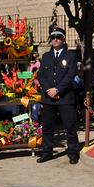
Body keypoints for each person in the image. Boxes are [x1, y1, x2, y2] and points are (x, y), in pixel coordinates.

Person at [37, 26, 79, 164]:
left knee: (70, 127)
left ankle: (73, 152)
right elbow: (41, 76)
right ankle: (47, 152)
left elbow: (70, 75)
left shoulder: (71, 55)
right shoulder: (46, 56)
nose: (55, 39)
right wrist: (50, 89)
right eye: (53, 37)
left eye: (58, 37)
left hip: (65, 97)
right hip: (48, 97)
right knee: (47, 127)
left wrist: (58, 90)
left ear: (63, 39)